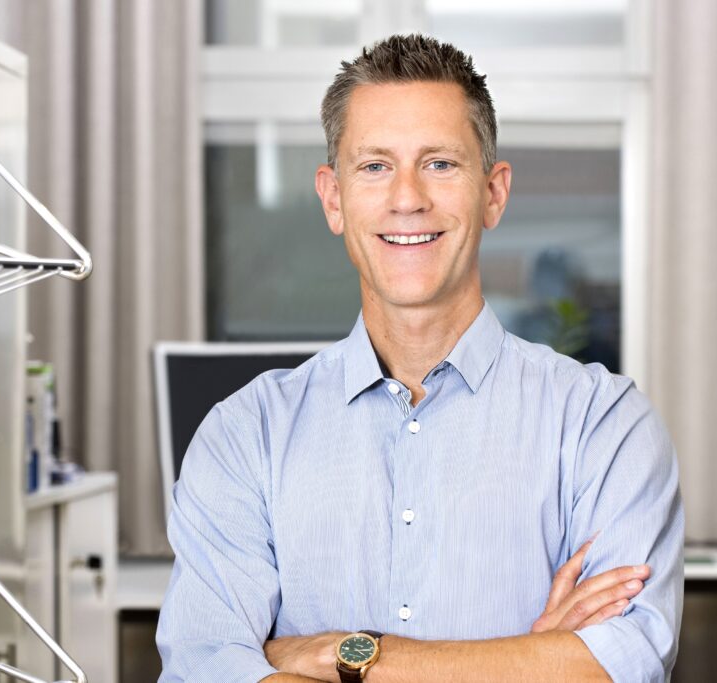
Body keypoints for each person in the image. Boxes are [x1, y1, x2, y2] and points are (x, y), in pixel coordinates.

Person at [157, 34, 682, 682]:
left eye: (439, 163)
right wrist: (528, 659)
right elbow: (202, 667)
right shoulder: (245, 435)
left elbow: (623, 664)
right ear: (333, 198)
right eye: (375, 166)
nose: (407, 198)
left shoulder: (604, 424)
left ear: (494, 193)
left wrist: (333, 654)